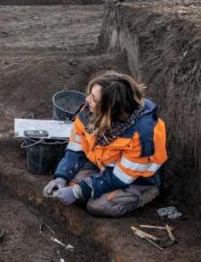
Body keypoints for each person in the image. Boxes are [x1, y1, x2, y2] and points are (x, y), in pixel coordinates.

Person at [43, 72, 167, 217]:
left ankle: (146, 195)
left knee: (97, 206)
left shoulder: (142, 135)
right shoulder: (88, 112)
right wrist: (62, 176)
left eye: (94, 99)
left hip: (138, 180)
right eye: (90, 95)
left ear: (110, 109)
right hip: (103, 165)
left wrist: (78, 191)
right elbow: (75, 150)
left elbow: (120, 177)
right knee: (70, 189)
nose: (87, 100)